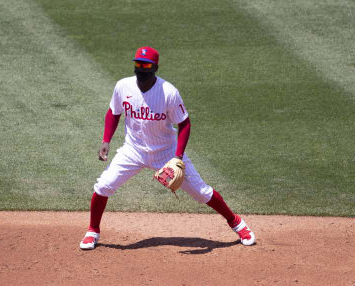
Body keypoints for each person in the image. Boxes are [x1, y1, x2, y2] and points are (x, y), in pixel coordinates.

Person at [80, 46, 255, 250]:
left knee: (202, 193)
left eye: (145, 65)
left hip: (166, 153)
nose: (141, 68)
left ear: (155, 67)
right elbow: (113, 113)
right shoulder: (123, 86)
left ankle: (236, 223)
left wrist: (178, 157)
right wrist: (106, 140)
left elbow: (185, 124)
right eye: (138, 64)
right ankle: (93, 230)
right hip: (133, 151)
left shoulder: (169, 92)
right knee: (103, 186)